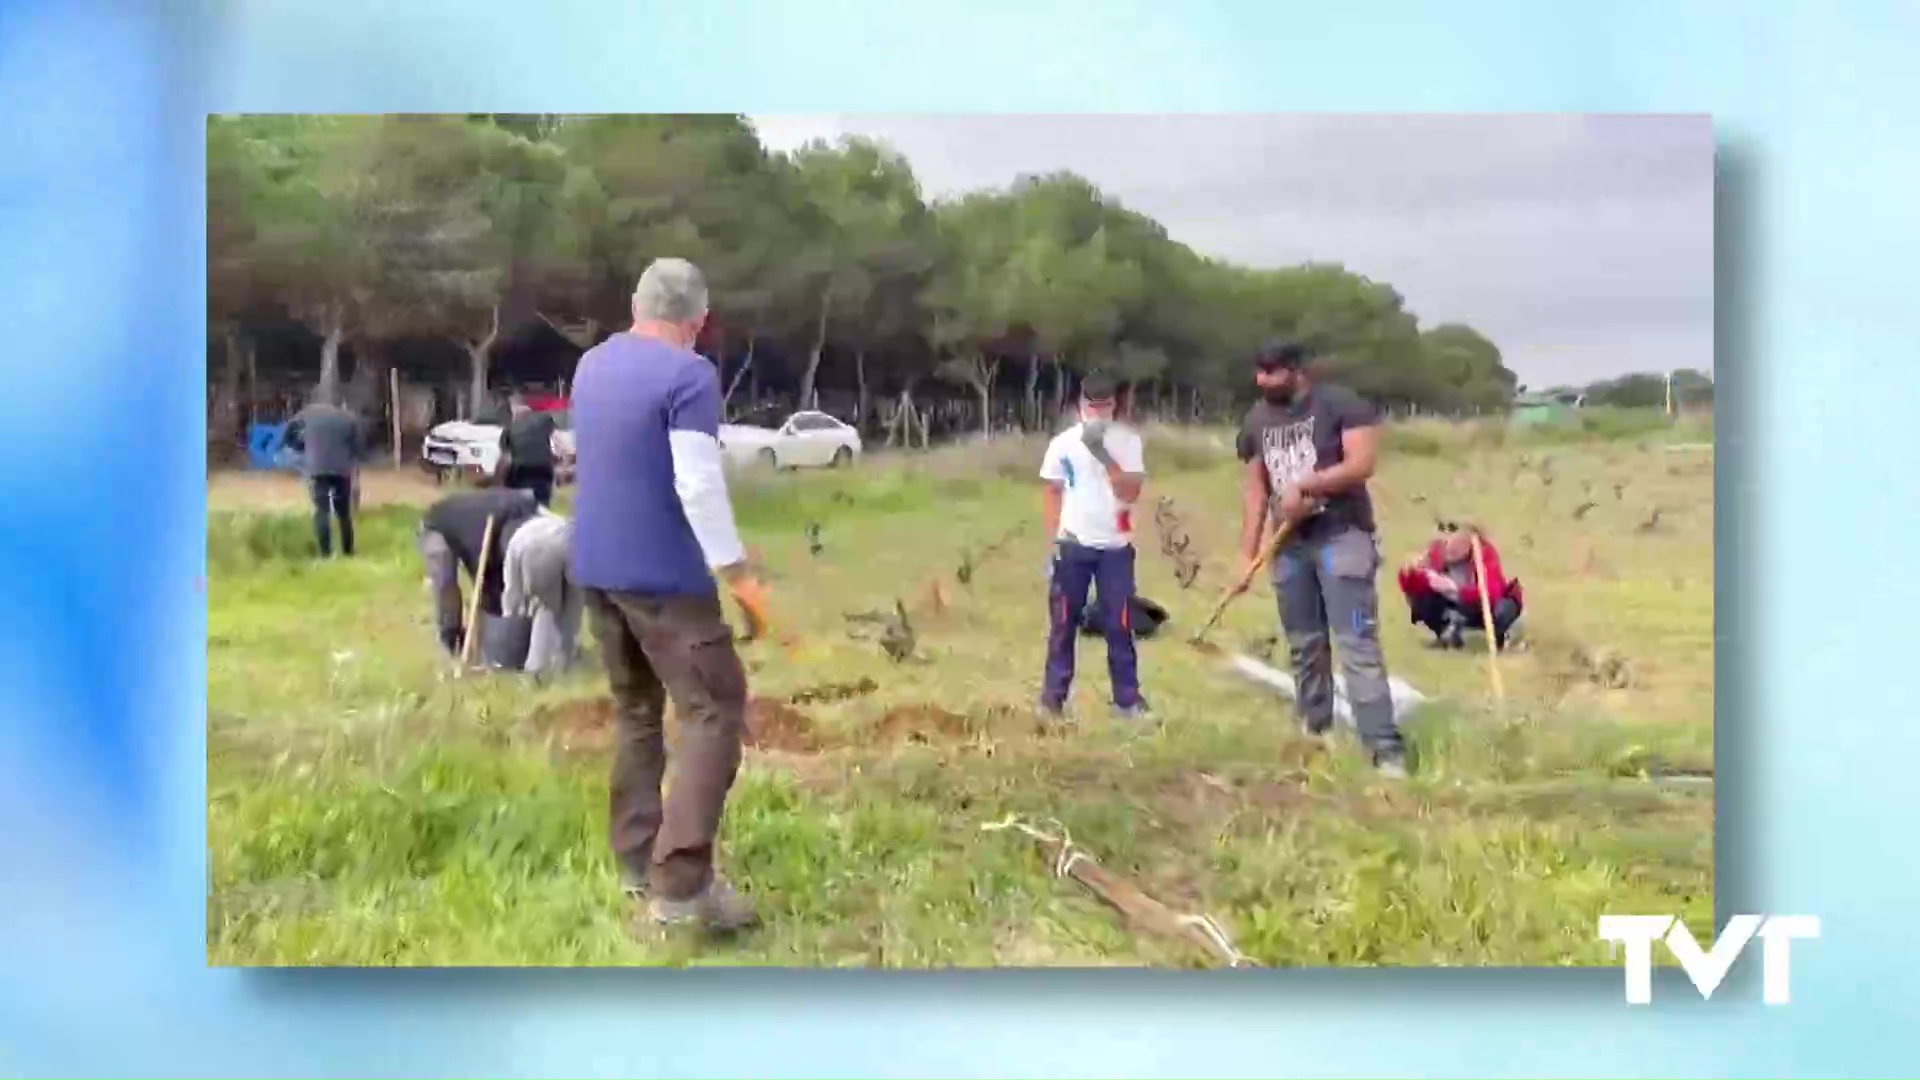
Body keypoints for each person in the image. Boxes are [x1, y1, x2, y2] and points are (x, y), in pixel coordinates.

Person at [570, 256, 773, 934]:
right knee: (715, 709)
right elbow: (697, 483)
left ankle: (636, 862)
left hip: (595, 567)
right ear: (700, 320)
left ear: (636, 305)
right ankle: (682, 894)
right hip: (662, 579)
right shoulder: (690, 375)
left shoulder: (592, 365)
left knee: (636, 712)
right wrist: (739, 574)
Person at [1232, 341, 1408, 777]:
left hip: (1342, 537)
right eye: (1258, 372)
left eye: (1271, 372)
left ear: (1295, 371)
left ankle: (1385, 751)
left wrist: (1309, 486)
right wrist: (1246, 553)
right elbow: (1257, 490)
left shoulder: (1340, 405)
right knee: (1305, 646)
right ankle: (1315, 733)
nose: (1261, 381)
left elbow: (1362, 463)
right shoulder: (1256, 419)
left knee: (1356, 646)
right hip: (1289, 546)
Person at [1038, 371, 1151, 721]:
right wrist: (1055, 539)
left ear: (1113, 405)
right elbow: (1052, 491)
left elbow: (1129, 493)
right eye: (1092, 406)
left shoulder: (1129, 442)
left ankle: (1127, 701)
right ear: (1080, 405)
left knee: (1119, 624)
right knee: (1063, 624)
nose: (1097, 413)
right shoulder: (1061, 444)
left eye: (1104, 406)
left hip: (1115, 547)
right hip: (1073, 545)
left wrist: (1103, 454)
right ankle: (1052, 701)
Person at [418, 487, 544, 658]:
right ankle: (451, 636)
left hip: (494, 513)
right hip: (439, 523)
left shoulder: (533, 515)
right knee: (445, 582)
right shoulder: (481, 538)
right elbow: (483, 578)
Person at [1397, 522, 1525, 650]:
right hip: (1456, 609)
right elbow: (1414, 588)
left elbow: (1490, 594)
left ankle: (1501, 636)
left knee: (1501, 611)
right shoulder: (1436, 552)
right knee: (1422, 600)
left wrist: (1455, 589)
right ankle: (1445, 634)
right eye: (1449, 541)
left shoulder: (1485, 555)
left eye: (1460, 542)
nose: (1452, 547)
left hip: (1483, 608)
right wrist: (1410, 574)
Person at [501, 509, 584, 676]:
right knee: (552, 612)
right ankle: (541, 671)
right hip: (553, 546)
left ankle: (506, 659)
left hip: (522, 538)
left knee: (515, 603)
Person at [284, 394, 365, 558]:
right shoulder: (348, 417)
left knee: (322, 510)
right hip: (342, 469)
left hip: (316, 468)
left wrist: (301, 447)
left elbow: (288, 435)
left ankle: (325, 553)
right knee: (343, 512)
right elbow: (358, 447)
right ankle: (348, 551)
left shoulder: (307, 413)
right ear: (340, 403)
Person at [498, 391, 558, 506]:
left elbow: (506, 460)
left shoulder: (508, 430)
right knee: (542, 507)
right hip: (543, 470)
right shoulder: (545, 419)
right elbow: (557, 442)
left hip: (520, 473)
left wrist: (499, 484)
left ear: (513, 408)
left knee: (520, 507)